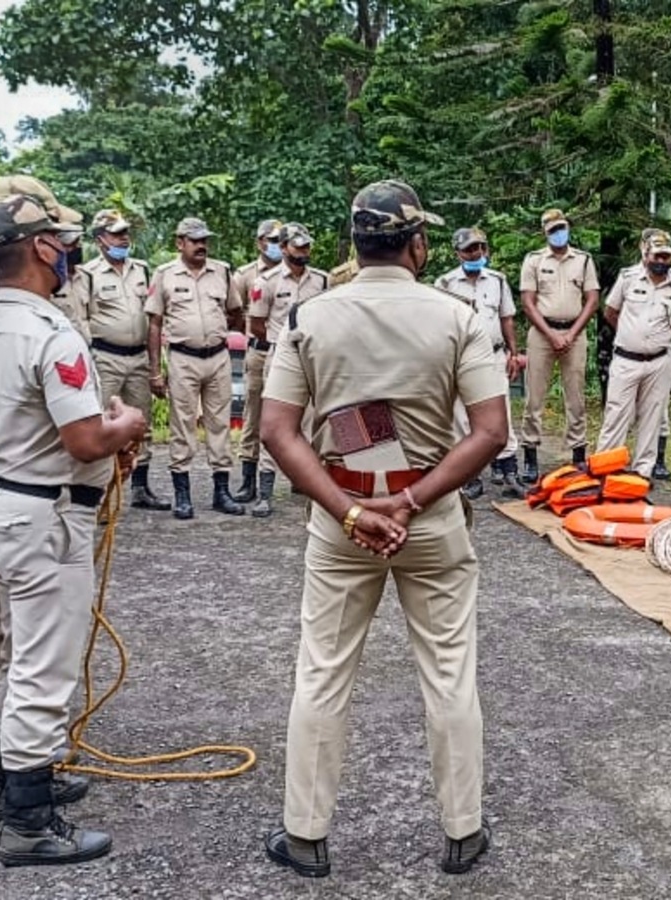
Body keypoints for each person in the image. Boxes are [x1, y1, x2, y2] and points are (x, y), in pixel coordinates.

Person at [260, 179, 504, 878]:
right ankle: (462, 832)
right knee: (451, 674)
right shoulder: (458, 317)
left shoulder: (310, 317)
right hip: (429, 518)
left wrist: (352, 511)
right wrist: (412, 500)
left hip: (343, 518)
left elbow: (277, 430)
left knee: (323, 673)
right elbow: (491, 432)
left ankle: (305, 836)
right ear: (419, 245)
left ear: (353, 244)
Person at [0, 194, 146, 866]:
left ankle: (23, 779)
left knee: (22, 654)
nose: (67, 251)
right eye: (61, 242)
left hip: (11, 499)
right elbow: (83, 438)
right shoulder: (50, 330)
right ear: (42, 248)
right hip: (45, 512)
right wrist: (124, 426)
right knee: (46, 666)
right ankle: (28, 823)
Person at [146, 216, 246, 519]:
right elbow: (154, 324)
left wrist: (214, 332)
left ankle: (221, 492)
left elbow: (235, 312)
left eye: (205, 240)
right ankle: (183, 495)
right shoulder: (165, 275)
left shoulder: (222, 272)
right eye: (195, 240)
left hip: (217, 357)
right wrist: (155, 371)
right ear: (180, 243)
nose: (202, 246)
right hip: (182, 358)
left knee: (219, 424)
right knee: (182, 424)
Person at [72, 209, 171, 511]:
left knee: (141, 424)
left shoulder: (141, 270)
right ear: (100, 238)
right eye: (117, 234)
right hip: (106, 357)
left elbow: (154, 316)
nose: (124, 238)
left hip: (138, 357)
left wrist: (155, 367)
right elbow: (82, 316)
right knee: (101, 422)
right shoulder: (88, 274)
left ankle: (140, 488)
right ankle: (98, 493)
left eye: (125, 233)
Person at [247, 222, 330, 516]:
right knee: (277, 423)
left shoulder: (321, 280)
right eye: (297, 246)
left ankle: (313, 488)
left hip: (312, 357)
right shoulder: (266, 281)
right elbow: (257, 325)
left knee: (313, 422)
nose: (304, 252)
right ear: (283, 248)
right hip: (279, 358)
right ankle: (265, 492)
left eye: (307, 246)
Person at [434, 226, 524, 498]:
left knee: (502, 411)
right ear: (458, 253)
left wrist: (514, 353)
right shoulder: (446, 284)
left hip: (494, 354)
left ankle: (509, 471)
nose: (476, 253)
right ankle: (468, 476)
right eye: (470, 249)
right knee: (461, 416)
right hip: (460, 357)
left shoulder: (497, 280)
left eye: (480, 248)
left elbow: (506, 318)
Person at [596, 231, 671, 477]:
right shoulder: (628, 278)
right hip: (626, 359)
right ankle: (606, 472)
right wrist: (631, 335)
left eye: (667, 257)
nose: (662, 261)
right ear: (645, 254)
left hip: (659, 361)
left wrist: (654, 338)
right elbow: (610, 312)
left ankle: (641, 474)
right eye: (657, 255)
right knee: (616, 416)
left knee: (652, 418)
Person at [518, 208, 600, 480]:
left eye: (561, 228)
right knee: (534, 396)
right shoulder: (533, 260)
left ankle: (578, 453)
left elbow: (592, 299)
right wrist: (551, 334)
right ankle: (530, 453)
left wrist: (572, 332)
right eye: (552, 229)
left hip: (574, 333)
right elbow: (528, 302)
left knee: (575, 395)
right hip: (542, 333)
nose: (558, 233)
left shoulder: (584, 260)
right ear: (545, 232)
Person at [233, 218, 286, 503]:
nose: (276, 246)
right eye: (272, 240)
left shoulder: (295, 272)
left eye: (281, 240)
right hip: (259, 350)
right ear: (260, 242)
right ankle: (248, 480)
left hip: (287, 354)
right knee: (252, 415)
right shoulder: (245, 275)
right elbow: (235, 310)